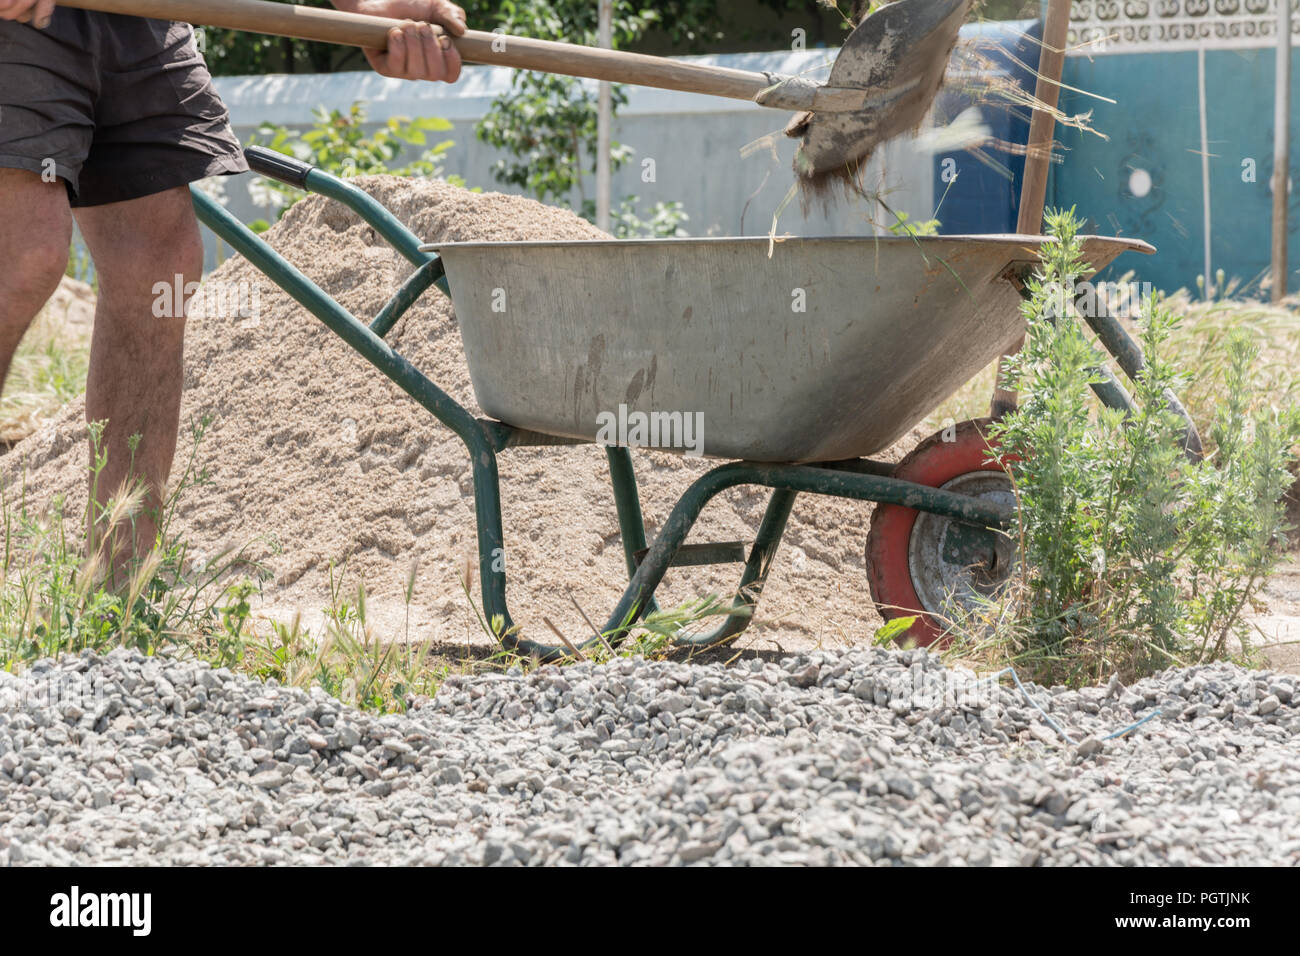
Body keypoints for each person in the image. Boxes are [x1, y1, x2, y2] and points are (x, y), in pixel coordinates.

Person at [0, 0, 466, 573]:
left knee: (160, 267)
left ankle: (119, 590)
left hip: (145, 14)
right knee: (22, 254)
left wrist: (366, 8)